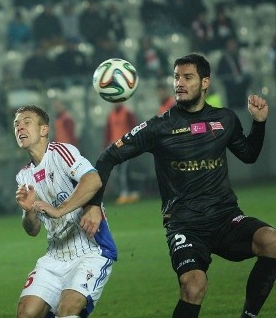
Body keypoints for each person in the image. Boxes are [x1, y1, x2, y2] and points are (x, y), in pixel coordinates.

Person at [91, 53, 273, 317]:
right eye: (176, 77)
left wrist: (259, 123)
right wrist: (95, 205)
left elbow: (249, 155)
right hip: (186, 225)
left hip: (225, 218)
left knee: (272, 241)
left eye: (188, 77)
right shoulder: (158, 127)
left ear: (205, 82)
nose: (180, 83)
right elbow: (107, 157)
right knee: (194, 285)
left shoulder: (224, 119)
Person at [13, 105, 117, 318]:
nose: (20, 128)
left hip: (91, 250)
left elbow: (93, 179)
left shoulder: (61, 152)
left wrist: (59, 210)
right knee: (26, 313)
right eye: (16, 125)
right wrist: (29, 211)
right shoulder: (23, 176)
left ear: (44, 130)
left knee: (67, 309)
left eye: (26, 122)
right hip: (55, 256)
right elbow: (32, 231)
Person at [104, 103, 139, 204]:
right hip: (115, 147)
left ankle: (126, 193)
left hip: (127, 146)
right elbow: (108, 131)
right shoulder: (111, 115)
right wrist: (106, 145)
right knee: (121, 171)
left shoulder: (127, 112)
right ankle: (130, 193)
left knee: (125, 171)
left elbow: (134, 128)